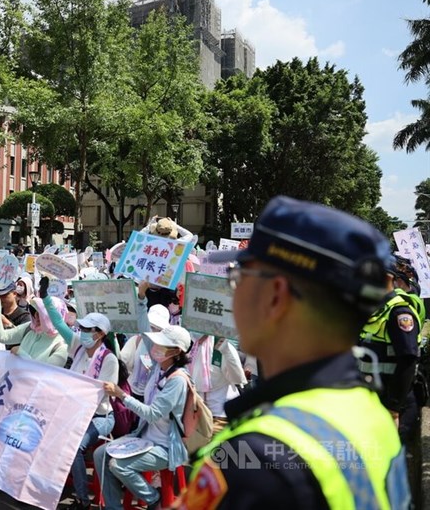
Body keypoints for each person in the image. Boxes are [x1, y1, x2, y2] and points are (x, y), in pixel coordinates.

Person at [174, 195, 409, 509]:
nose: (233, 293)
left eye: (239, 277)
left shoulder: (253, 462)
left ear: (275, 296)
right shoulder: (370, 410)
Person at [96, 326, 191, 510]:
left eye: (162, 344)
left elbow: (152, 413)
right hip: (143, 438)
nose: (156, 346)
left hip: (164, 447)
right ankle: (112, 507)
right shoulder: (158, 368)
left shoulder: (177, 380)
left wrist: (122, 395)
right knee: (100, 454)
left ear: (177, 351)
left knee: (118, 465)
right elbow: (144, 328)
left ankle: (153, 499)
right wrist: (140, 299)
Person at [40, 295, 119, 510]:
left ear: (101, 334)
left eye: (88, 329)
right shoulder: (78, 346)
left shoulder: (109, 359)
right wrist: (46, 298)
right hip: (73, 411)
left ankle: (83, 500)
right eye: (82, 328)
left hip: (100, 416)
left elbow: (102, 393)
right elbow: (58, 323)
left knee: (73, 446)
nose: (83, 332)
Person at [358, 255, 422, 444]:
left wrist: (393, 406)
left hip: (389, 402)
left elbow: (408, 359)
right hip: (370, 399)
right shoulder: (375, 309)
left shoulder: (399, 313)